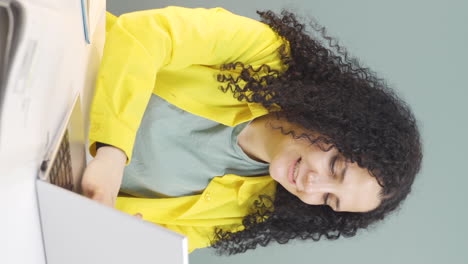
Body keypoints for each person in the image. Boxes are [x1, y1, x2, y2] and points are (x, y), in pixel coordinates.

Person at [81, 6, 422, 254]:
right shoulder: (263, 54)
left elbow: (158, 237)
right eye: (335, 166)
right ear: (338, 121)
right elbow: (144, 35)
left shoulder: (246, 212)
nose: (312, 187)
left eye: (328, 200)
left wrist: (130, 243)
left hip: (44, 170)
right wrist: (112, 153)